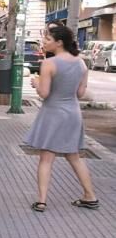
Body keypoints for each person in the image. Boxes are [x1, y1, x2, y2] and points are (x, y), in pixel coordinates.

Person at [24, 25, 98, 212]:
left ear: (59, 43)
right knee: (74, 156)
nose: (44, 42)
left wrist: (37, 83)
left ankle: (41, 201)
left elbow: (44, 93)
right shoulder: (81, 63)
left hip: (53, 113)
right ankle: (90, 196)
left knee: (46, 158)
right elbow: (81, 93)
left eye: (47, 40)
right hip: (73, 113)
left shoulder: (49, 63)